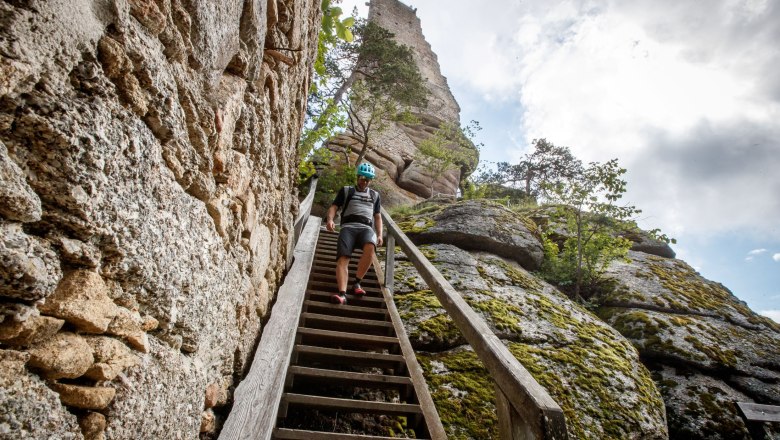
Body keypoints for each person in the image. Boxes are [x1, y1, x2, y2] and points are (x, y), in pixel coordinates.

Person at [325, 162, 384, 305]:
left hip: (366, 229)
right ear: (357, 177)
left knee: (371, 246)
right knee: (343, 258)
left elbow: (377, 216)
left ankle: (357, 283)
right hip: (348, 228)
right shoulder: (347, 191)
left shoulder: (375, 195)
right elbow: (334, 207)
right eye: (362, 178)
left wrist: (380, 234)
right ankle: (342, 294)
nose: (364, 182)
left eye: (368, 180)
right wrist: (330, 220)